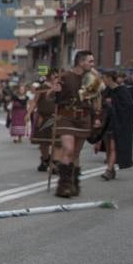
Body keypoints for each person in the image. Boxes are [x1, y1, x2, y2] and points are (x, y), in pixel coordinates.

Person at [51, 50, 101, 198]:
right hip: (67, 116)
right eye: (90, 61)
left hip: (84, 117)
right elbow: (50, 96)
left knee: (76, 153)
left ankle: (74, 184)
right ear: (81, 62)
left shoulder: (92, 78)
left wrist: (97, 116)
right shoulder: (65, 76)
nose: (93, 64)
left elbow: (97, 97)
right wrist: (55, 91)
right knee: (68, 149)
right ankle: (63, 186)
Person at [27, 73, 58, 172]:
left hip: (57, 118)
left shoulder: (61, 88)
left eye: (58, 76)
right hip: (44, 118)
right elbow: (34, 101)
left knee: (56, 142)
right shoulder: (42, 87)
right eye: (55, 75)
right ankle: (45, 160)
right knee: (44, 142)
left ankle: (54, 163)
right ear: (50, 76)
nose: (57, 78)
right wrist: (28, 114)